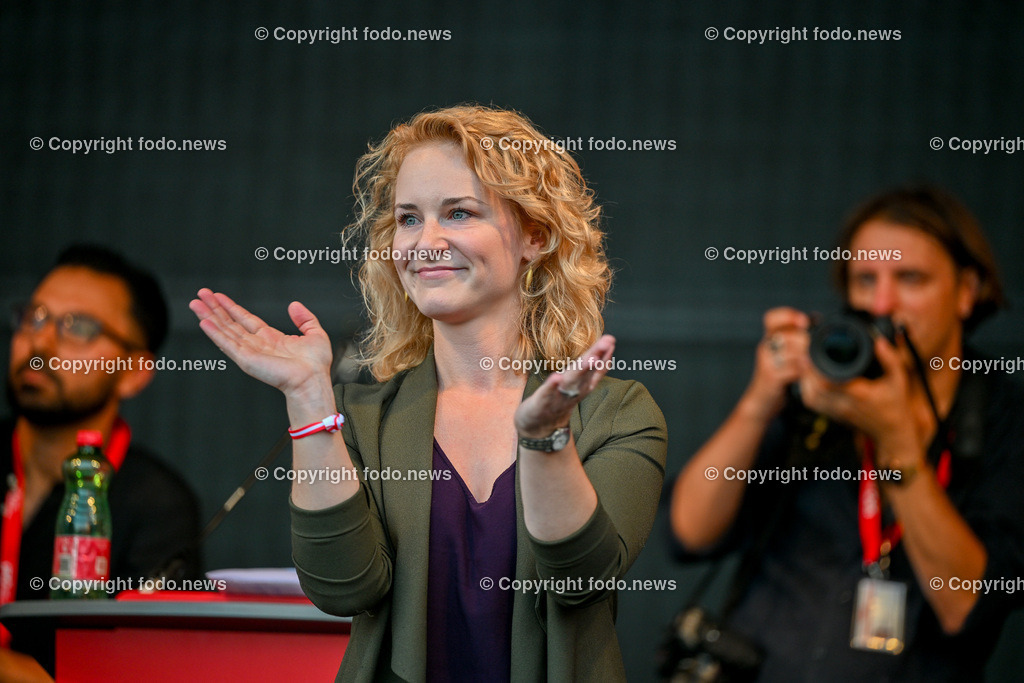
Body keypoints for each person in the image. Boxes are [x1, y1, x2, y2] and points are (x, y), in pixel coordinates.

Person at [190, 105, 667, 681]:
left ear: (535, 237)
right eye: (408, 219)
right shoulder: (365, 417)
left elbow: (579, 579)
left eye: (459, 213)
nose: (426, 242)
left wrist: (545, 439)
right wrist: (309, 396)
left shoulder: (616, 412)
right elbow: (343, 588)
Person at [670, 186, 1024, 681]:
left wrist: (897, 443)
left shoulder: (1005, 419)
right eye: (864, 280)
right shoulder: (822, 387)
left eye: (910, 279)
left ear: (967, 291)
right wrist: (759, 402)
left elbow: (965, 604)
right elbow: (689, 532)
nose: (882, 304)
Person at [2, 244, 202, 680]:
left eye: (79, 327)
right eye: (33, 317)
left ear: (134, 371)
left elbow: (144, 671)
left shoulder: (157, 506)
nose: (41, 341)